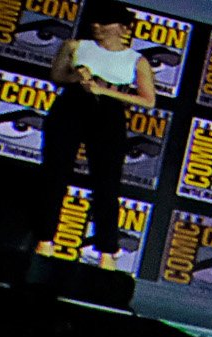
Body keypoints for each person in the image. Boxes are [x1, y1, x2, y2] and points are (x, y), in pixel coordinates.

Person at [36, 3, 157, 266]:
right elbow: (56, 75)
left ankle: (106, 251)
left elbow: (148, 100)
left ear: (124, 28)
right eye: (96, 22)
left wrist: (104, 91)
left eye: (106, 23)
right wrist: (76, 76)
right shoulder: (75, 46)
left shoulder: (137, 60)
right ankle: (44, 239)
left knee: (106, 183)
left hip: (109, 115)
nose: (98, 27)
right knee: (55, 173)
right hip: (71, 107)